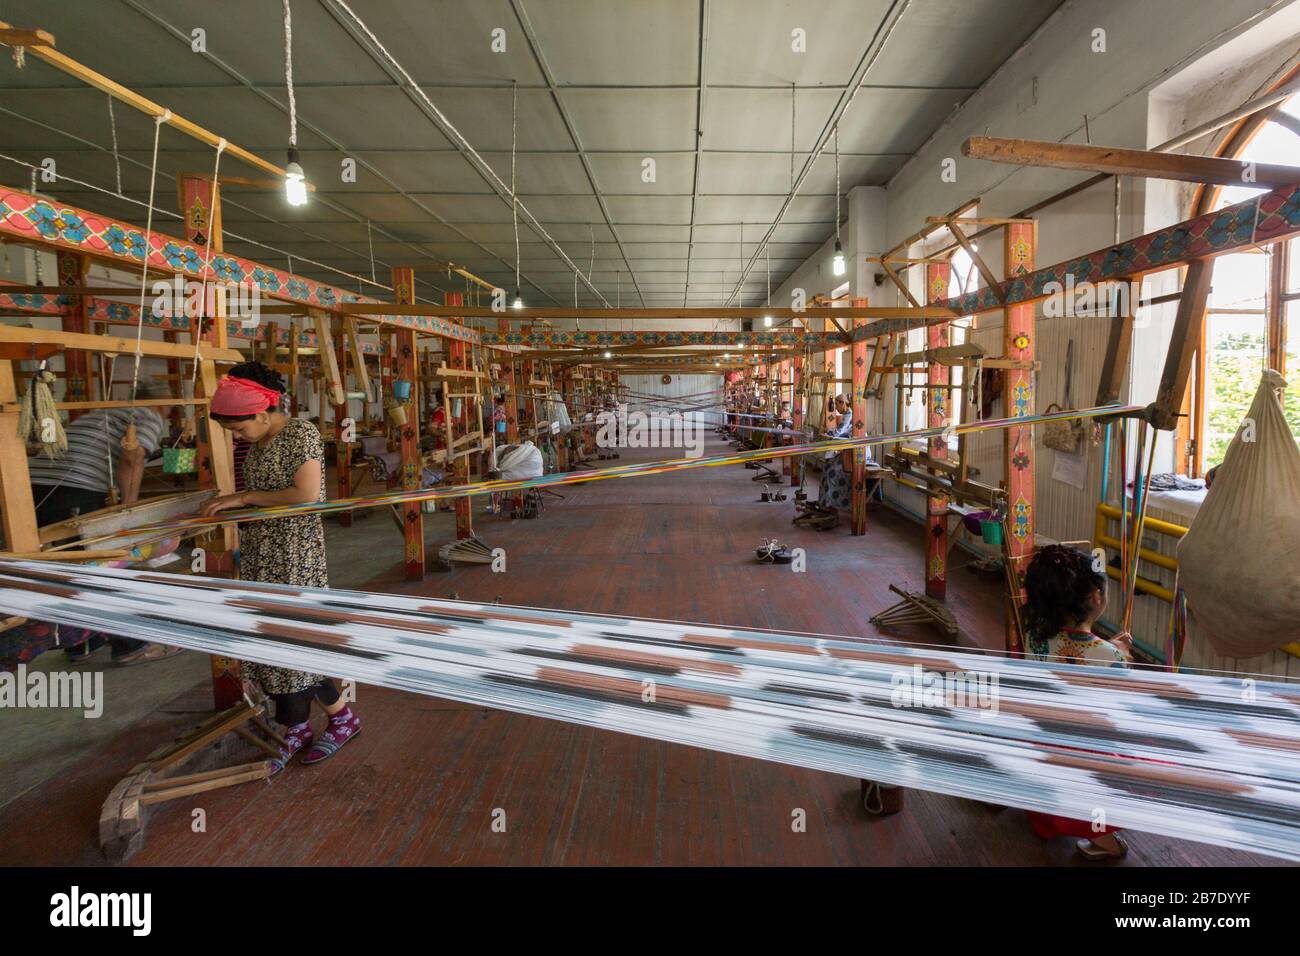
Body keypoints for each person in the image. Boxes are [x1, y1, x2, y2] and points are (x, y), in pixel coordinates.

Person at [201, 361, 361, 771]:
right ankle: (335, 719)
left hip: (293, 555)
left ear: (261, 412)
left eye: (240, 428)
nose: (239, 436)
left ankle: (303, 726)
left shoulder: (300, 434)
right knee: (281, 640)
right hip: (263, 551)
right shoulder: (259, 444)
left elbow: (306, 494)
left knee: (293, 640)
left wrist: (244, 498)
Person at [25, 380, 178, 666]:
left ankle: (84, 643)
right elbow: (133, 457)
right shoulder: (148, 415)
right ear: (164, 401)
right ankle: (131, 644)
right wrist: (127, 509)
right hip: (73, 488)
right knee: (105, 565)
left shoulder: (103, 413)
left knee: (67, 566)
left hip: (30, 489)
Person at [1021, 544, 1133, 860]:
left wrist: (1108, 649)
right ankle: (1105, 841)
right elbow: (1119, 710)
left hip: (1040, 741)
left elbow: (1071, 653)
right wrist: (1118, 656)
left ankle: (1044, 813)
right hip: (1082, 751)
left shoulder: (1036, 635)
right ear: (1096, 597)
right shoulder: (1109, 657)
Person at [816, 394, 854, 513]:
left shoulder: (849, 415)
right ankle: (826, 502)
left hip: (856, 453)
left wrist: (826, 434)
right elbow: (841, 432)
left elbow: (838, 433)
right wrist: (829, 432)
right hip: (848, 450)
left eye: (837, 405)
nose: (836, 409)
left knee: (831, 471)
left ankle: (832, 503)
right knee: (828, 466)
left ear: (843, 403)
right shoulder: (847, 415)